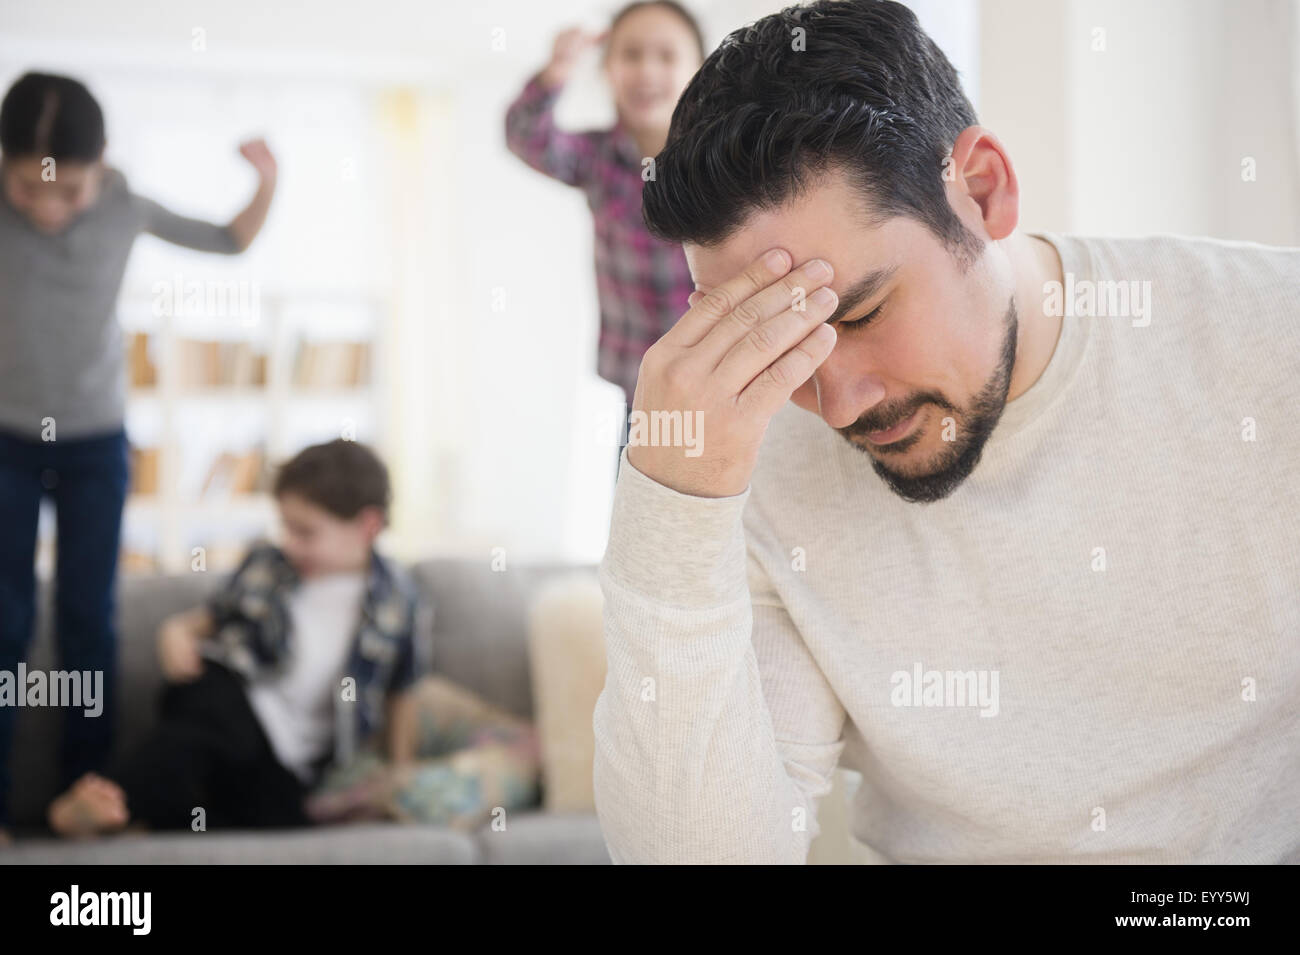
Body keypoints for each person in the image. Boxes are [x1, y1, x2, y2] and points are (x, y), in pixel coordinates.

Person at [592, 0, 1300, 863]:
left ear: (984, 190)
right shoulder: (757, 465)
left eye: (861, 312)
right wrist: (671, 510)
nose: (840, 403)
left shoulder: (1271, 342)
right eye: (777, 343)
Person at [0, 72, 277, 841]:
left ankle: (82, 803)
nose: (50, 206)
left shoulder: (124, 203)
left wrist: (267, 180)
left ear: (104, 165)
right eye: (28, 188)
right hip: (7, 440)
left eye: (69, 189)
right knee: (5, 619)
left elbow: (229, 239)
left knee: (90, 620)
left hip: (95, 440)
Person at [45, 439, 424, 835]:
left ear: (368, 526)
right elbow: (207, 620)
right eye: (286, 527)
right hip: (228, 697)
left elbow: (403, 692)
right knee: (214, 727)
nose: (291, 543)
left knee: (271, 813)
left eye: (306, 532)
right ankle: (108, 801)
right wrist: (175, 632)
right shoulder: (268, 564)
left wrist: (401, 776)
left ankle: (127, 813)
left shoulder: (399, 602)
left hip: (287, 761)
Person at [505, 2, 706, 470]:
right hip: (643, 389)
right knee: (646, 518)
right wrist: (556, 71)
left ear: (699, 70)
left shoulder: (722, 159)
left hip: (725, 378)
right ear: (607, 70)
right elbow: (524, 135)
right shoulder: (596, 159)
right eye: (630, 55)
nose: (646, 70)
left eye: (665, 55)